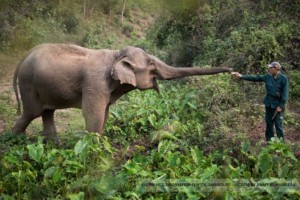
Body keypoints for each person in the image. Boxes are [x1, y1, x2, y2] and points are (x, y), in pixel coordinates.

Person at [231, 62, 289, 142]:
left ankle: (281, 144)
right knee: (269, 123)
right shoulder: (267, 77)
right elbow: (255, 78)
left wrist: (281, 106)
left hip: (277, 105)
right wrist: (241, 76)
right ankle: (269, 141)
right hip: (268, 104)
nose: (269, 69)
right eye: (269, 68)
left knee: (278, 125)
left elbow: (285, 94)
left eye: (271, 68)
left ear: (276, 68)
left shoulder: (283, 78)